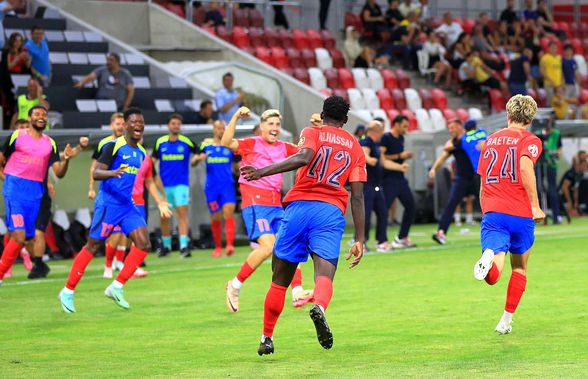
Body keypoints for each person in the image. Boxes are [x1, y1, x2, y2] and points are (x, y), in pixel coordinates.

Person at [239, 95, 366, 355]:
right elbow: (358, 195)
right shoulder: (355, 146)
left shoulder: (312, 131)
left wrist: (262, 172)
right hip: (330, 213)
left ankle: (266, 337)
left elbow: (304, 156)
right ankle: (319, 307)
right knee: (324, 274)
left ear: (323, 113)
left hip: (298, 208)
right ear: (345, 119)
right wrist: (360, 239)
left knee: (279, 280)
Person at [58, 107, 171, 313]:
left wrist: (161, 200)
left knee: (143, 243)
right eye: (134, 122)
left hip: (127, 205)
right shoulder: (113, 146)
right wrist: (112, 172)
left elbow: (146, 180)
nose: (138, 125)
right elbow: (96, 172)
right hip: (108, 204)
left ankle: (116, 286)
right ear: (126, 125)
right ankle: (67, 291)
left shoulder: (141, 153)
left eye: (141, 122)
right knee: (93, 246)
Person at [222, 107, 313, 312]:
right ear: (261, 127)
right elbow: (226, 143)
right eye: (270, 124)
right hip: (255, 202)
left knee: (292, 243)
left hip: (275, 204)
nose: (274, 128)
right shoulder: (251, 144)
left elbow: (306, 150)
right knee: (268, 247)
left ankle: (297, 291)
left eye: (277, 124)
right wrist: (236, 116)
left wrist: (317, 128)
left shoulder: (283, 147)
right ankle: (234, 285)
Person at [473, 94, 544, 335]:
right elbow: (525, 166)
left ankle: (489, 255)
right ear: (531, 118)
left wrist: (486, 209)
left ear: (508, 114)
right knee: (519, 269)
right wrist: (535, 205)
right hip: (520, 212)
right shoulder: (530, 140)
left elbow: (482, 180)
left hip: (493, 211)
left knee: (493, 275)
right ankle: (505, 321)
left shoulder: (490, 140)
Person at [0, 105, 75, 285]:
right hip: (15, 191)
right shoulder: (17, 136)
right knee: (18, 235)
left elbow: (59, 172)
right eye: (37, 114)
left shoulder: (50, 143)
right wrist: (6, 178)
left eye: (44, 114)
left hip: (35, 195)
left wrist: (66, 160)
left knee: (26, 237)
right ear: (30, 118)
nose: (41, 117)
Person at [27, 135, 89, 280]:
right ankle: (38, 262)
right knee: (24, 237)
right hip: (23, 198)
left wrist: (79, 147)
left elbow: (61, 157)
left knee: (38, 233)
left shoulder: (46, 147)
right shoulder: (18, 152)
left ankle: (38, 263)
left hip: (41, 197)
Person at [152, 114, 200, 258]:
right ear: (168, 125)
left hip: (181, 185)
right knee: (165, 217)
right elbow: (151, 161)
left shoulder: (186, 142)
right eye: (173, 123)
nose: (176, 126)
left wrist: (196, 159)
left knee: (182, 214)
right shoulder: (160, 142)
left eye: (178, 124)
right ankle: (166, 247)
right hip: (163, 186)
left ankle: (184, 246)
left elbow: (200, 152)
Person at [88, 113, 130, 277]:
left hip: (124, 195)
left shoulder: (129, 144)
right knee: (109, 231)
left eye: (122, 123)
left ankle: (118, 262)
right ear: (112, 125)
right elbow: (94, 169)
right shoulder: (105, 144)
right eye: (117, 123)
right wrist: (91, 188)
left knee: (122, 231)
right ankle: (108, 265)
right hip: (108, 195)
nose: (120, 126)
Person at [361, 120, 409, 251]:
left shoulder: (376, 145)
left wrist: (400, 167)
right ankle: (361, 242)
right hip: (367, 185)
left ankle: (381, 241)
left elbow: (385, 163)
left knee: (382, 212)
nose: (383, 132)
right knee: (365, 215)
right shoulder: (366, 141)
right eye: (381, 129)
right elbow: (363, 153)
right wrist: (369, 159)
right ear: (374, 131)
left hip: (377, 184)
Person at [429, 119, 477, 245]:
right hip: (461, 178)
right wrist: (434, 169)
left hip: (478, 176)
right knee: (451, 203)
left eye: (453, 127)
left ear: (460, 126)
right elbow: (443, 156)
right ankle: (441, 232)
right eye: (449, 128)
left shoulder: (470, 137)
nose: (451, 130)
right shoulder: (453, 142)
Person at [196, 120, 237, 257]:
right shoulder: (206, 145)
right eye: (218, 128)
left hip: (227, 186)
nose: (220, 130)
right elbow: (194, 161)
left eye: (222, 128)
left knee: (228, 213)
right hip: (211, 187)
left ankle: (230, 245)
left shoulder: (230, 145)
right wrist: (197, 159)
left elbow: (237, 164)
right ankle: (218, 247)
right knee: (215, 216)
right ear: (214, 130)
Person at [380, 115, 417, 248]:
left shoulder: (401, 138)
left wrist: (403, 158)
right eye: (404, 126)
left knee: (411, 206)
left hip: (400, 178)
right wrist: (400, 156)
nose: (406, 129)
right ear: (396, 124)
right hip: (389, 178)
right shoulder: (386, 137)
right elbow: (382, 157)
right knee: (383, 209)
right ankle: (381, 240)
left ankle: (402, 237)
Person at [536, 121, 562, 224]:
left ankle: (556, 216)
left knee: (552, 190)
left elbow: (560, 150)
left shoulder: (556, 134)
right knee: (538, 190)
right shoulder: (537, 133)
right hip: (539, 164)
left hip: (550, 164)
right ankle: (537, 216)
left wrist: (554, 153)